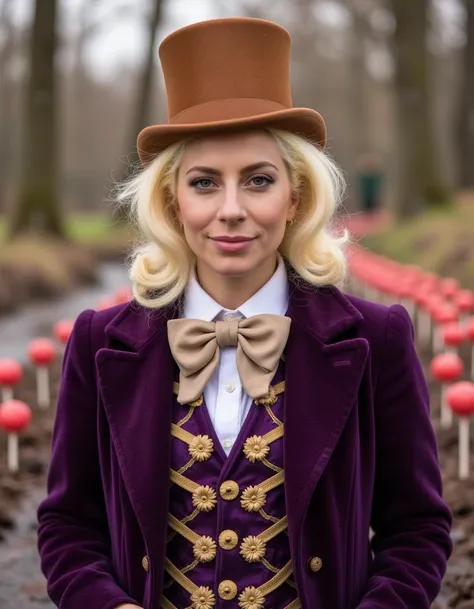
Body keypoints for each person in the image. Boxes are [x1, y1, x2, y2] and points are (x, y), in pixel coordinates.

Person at [37, 17, 452, 609]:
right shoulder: (100, 341)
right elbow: (67, 527)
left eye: (258, 180)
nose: (231, 210)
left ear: (296, 197)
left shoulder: (378, 339)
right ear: (171, 201)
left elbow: (417, 530)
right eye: (204, 183)